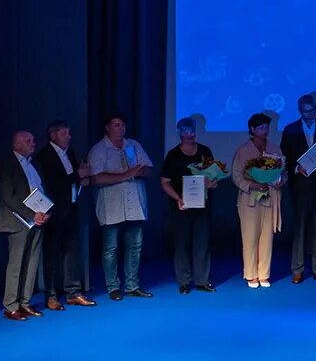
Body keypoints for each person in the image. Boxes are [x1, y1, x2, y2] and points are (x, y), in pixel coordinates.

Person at [88, 113, 154, 301]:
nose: (121, 128)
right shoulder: (99, 149)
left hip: (134, 204)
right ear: (107, 127)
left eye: (123, 125)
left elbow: (149, 169)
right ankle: (113, 286)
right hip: (112, 206)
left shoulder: (133, 145)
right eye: (117, 125)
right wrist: (125, 175)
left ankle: (132, 285)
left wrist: (139, 171)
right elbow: (96, 179)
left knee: (135, 245)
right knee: (111, 248)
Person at [35, 119, 95, 309]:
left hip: (71, 208)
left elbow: (74, 177)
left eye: (69, 133)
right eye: (64, 133)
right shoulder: (45, 155)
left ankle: (73, 292)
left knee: (72, 250)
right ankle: (50, 295)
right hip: (54, 211)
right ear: (53, 135)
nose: (69, 137)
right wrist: (79, 175)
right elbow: (54, 182)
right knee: (52, 253)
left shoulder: (69, 152)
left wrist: (82, 180)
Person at [280, 94, 316, 284]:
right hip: (300, 186)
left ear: (315, 109)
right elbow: (284, 157)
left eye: (312, 110)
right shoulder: (290, 129)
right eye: (305, 111)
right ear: (300, 111)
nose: (309, 114)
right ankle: (297, 269)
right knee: (300, 229)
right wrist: (297, 168)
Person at [159, 117, 219, 294]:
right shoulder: (173, 155)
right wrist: (178, 198)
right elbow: (164, 182)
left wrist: (211, 183)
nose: (190, 136)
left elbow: (214, 177)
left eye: (192, 132)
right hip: (181, 207)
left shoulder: (205, 151)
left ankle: (202, 280)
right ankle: (184, 281)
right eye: (186, 133)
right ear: (180, 135)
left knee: (202, 243)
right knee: (181, 244)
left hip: (202, 205)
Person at [0, 131, 49, 320]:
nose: (33, 143)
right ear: (17, 144)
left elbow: (40, 190)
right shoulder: (8, 164)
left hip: (37, 221)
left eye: (33, 140)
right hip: (18, 222)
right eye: (28, 141)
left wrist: (46, 211)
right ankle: (11, 305)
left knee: (32, 262)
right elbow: (8, 197)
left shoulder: (32, 165)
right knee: (17, 264)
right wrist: (31, 215)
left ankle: (25, 303)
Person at [232, 113, 286, 289]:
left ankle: (264, 274)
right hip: (250, 200)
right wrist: (252, 185)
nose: (265, 130)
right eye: (261, 127)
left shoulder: (274, 149)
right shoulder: (243, 150)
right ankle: (251, 274)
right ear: (252, 129)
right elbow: (236, 176)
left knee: (266, 239)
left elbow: (283, 172)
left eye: (267, 127)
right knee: (250, 238)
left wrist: (279, 181)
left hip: (269, 197)